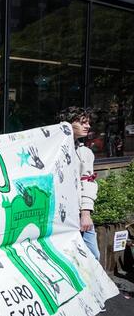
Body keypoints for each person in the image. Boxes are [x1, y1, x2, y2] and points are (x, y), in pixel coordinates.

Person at [58, 107, 100, 260]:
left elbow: (88, 182)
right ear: (67, 124)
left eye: (88, 122)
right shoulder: (53, 150)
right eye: (83, 122)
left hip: (78, 214)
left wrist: (86, 212)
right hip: (57, 216)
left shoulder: (85, 153)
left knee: (93, 256)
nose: (88, 126)